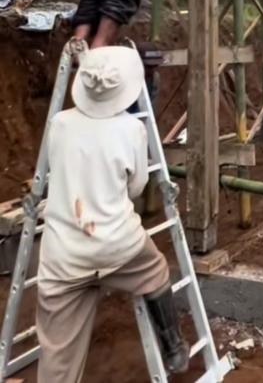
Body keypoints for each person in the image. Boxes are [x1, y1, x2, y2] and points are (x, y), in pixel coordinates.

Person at [36, 45, 188, 382]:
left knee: (58, 353)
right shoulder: (132, 129)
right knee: (156, 271)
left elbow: (50, 172)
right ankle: (174, 347)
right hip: (117, 247)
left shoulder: (59, 123)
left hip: (64, 255)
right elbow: (135, 187)